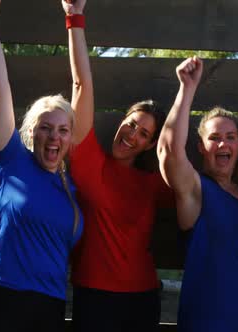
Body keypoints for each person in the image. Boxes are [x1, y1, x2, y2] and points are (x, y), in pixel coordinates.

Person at [0, 1, 83, 331]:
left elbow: (83, 86)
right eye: (45, 127)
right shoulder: (9, 160)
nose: (53, 136)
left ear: (70, 139)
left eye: (62, 130)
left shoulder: (72, 189)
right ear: (30, 132)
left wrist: (76, 15)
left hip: (48, 307)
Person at [61, 1, 172, 331]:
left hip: (142, 298)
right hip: (94, 297)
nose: (132, 135)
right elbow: (81, 85)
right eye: (132, 123)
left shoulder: (153, 184)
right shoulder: (88, 160)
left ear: (150, 144)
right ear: (121, 121)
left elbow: (203, 190)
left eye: (144, 134)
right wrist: (74, 18)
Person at [157, 56, 238, 332]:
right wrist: (187, 89)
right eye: (214, 138)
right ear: (200, 147)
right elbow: (169, 152)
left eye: (231, 137)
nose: (223, 142)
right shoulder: (196, 191)